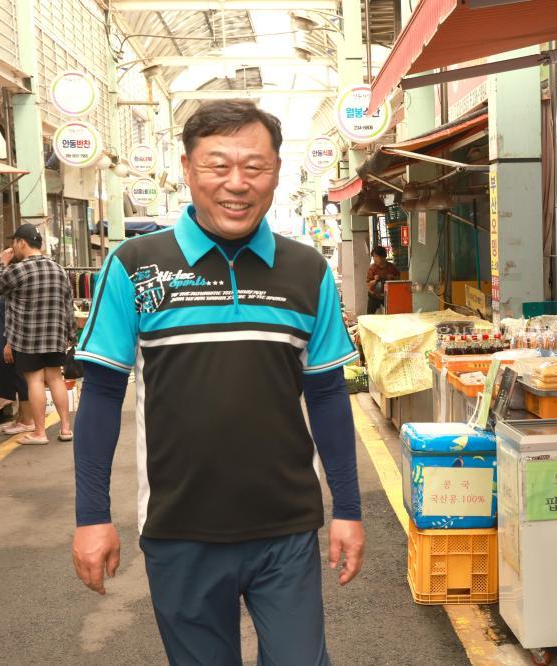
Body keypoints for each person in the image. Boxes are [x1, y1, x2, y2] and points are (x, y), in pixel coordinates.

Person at [71, 99, 364, 665]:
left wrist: (347, 509)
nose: (237, 184)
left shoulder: (306, 270)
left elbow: (327, 395)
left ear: (277, 171)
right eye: (217, 165)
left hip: (286, 528)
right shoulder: (135, 265)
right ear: (186, 169)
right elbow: (102, 395)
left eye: (254, 167)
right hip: (180, 530)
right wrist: (91, 516)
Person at [0, 223, 74, 445]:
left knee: (35, 380)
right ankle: (65, 429)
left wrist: (1, 263)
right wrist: (71, 335)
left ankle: (40, 433)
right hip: (55, 336)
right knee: (55, 379)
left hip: (28, 338)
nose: (12, 247)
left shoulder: (18, 269)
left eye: (13, 243)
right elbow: (68, 304)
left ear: (22, 243)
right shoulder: (58, 269)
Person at [0, 295, 35, 435]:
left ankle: (28, 421)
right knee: (17, 376)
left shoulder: (12, 291)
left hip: (13, 341)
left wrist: (9, 343)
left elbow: (15, 318)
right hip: (14, 339)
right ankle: (23, 419)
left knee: (20, 377)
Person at [365, 245, 399, 314]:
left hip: (388, 296)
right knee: (369, 316)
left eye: (377, 256)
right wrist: (375, 281)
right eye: (374, 256)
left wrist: (392, 278)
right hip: (373, 296)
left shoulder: (391, 267)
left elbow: (399, 280)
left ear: (383, 256)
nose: (375, 259)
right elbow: (368, 284)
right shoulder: (372, 268)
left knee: (392, 314)